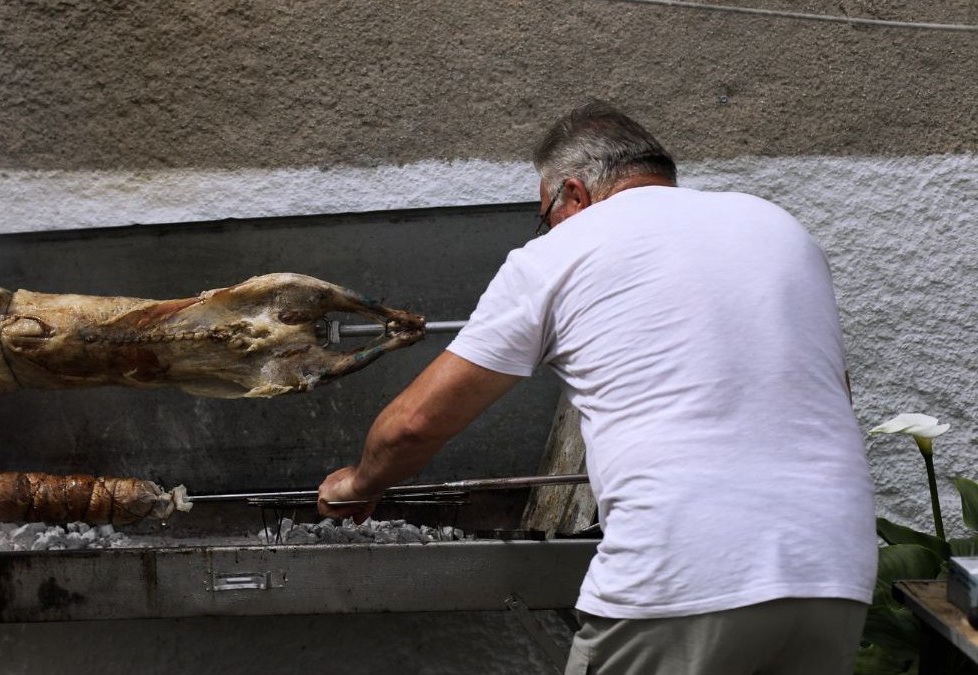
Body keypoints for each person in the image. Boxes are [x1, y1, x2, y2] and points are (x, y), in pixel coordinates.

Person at [318, 98, 877, 674]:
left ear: (575, 193)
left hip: (682, 573)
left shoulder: (559, 253)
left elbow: (414, 424)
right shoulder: (777, 226)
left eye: (545, 212)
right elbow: (831, 392)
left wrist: (359, 482)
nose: (547, 227)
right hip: (833, 568)